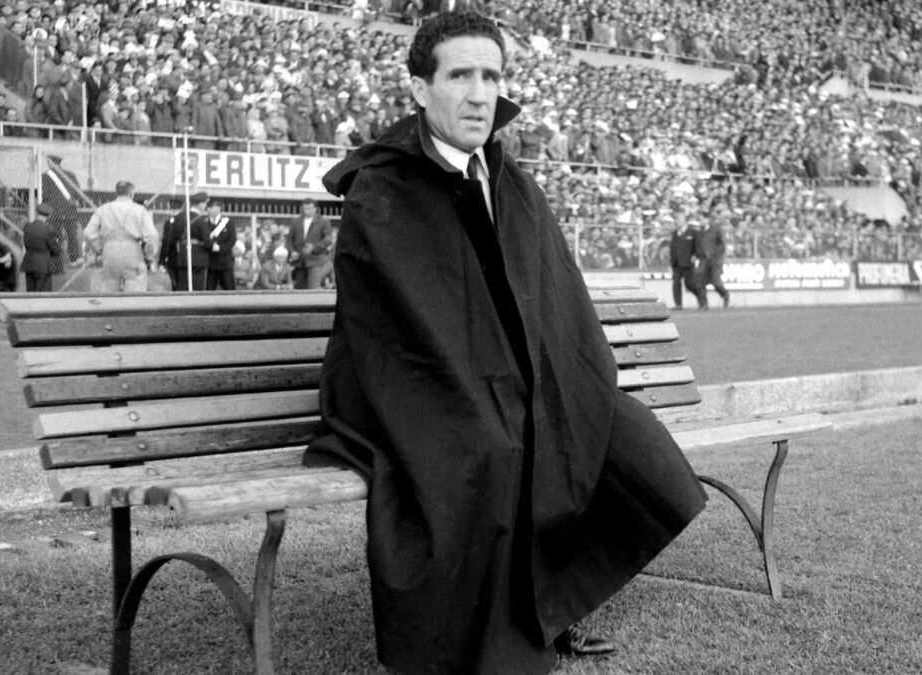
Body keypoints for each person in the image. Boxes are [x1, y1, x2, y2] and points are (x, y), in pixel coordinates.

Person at [309, 12, 706, 674]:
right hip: (412, 388)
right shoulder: (382, 188)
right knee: (498, 443)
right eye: (460, 75)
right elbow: (399, 327)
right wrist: (503, 388)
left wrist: (564, 383)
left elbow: (554, 300)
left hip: (507, 377)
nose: (479, 94)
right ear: (420, 89)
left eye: (491, 76)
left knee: (620, 437)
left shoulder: (509, 179)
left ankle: (555, 603)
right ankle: (502, 637)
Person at [82, 181, 160, 293]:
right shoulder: (140, 210)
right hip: (132, 250)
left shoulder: (103, 209)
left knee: (109, 288)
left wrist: (99, 249)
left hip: (110, 251)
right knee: (135, 287)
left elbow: (88, 233)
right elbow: (152, 235)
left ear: (116, 192)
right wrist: (149, 254)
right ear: (132, 193)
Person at [160, 192, 209, 291]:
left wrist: (162, 260)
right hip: (198, 259)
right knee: (197, 288)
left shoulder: (174, 220)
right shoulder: (201, 220)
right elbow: (207, 241)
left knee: (180, 288)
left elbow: (167, 242)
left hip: (178, 259)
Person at [287, 198, 334, 289]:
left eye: (309, 208)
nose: (306, 211)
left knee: (313, 288)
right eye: (304, 208)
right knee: (300, 290)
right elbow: (288, 239)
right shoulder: (296, 221)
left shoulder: (323, 221)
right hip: (299, 261)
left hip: (316, 260)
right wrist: (292, 251)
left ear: (315, 209)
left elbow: (328, 239)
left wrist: (314, 247)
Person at [20, 204, 61, 292]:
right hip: (43, 265)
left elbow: (26, 244)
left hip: (29, 262)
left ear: (37, 213)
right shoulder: (48, 229)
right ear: (48, 215)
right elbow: (56, 250)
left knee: (31, 293)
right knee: (43, 294)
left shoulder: (27, 227)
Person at [668, 214, 704, 309]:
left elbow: (698, 246)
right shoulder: (675, 233)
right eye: (676, 220)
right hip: (676, 263)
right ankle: (678, 304)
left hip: (688, 263)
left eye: (678, 220)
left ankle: (702, 300)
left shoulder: (692, 232)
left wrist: (695, 255)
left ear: (684, 221)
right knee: (676, 284)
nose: (677, 222)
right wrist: (671, 262)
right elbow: (672, 249)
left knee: (690, 285)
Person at [695, 218, 730, 309]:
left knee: (715, 281)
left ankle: (725, 294)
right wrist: (698, 254)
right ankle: (704, 304)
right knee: (700, 282)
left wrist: (715, 256)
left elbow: (722, 245)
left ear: (707, 220)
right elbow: (697, 246)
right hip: (703, 260)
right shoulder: (699, 232)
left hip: (715, 260)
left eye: (702, 219)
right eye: (700, 220)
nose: (700, 221)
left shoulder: (716, 229)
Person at [202, 198, 236, 291]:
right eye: (208, 207)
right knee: (209, 289)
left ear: (219, 208)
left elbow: (232, 240)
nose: (208, 210)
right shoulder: (204, 222)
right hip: (210, 262)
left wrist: (220, 248)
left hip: (225, 262)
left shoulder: (228, 223)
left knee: (229, 289)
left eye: (211, 207)